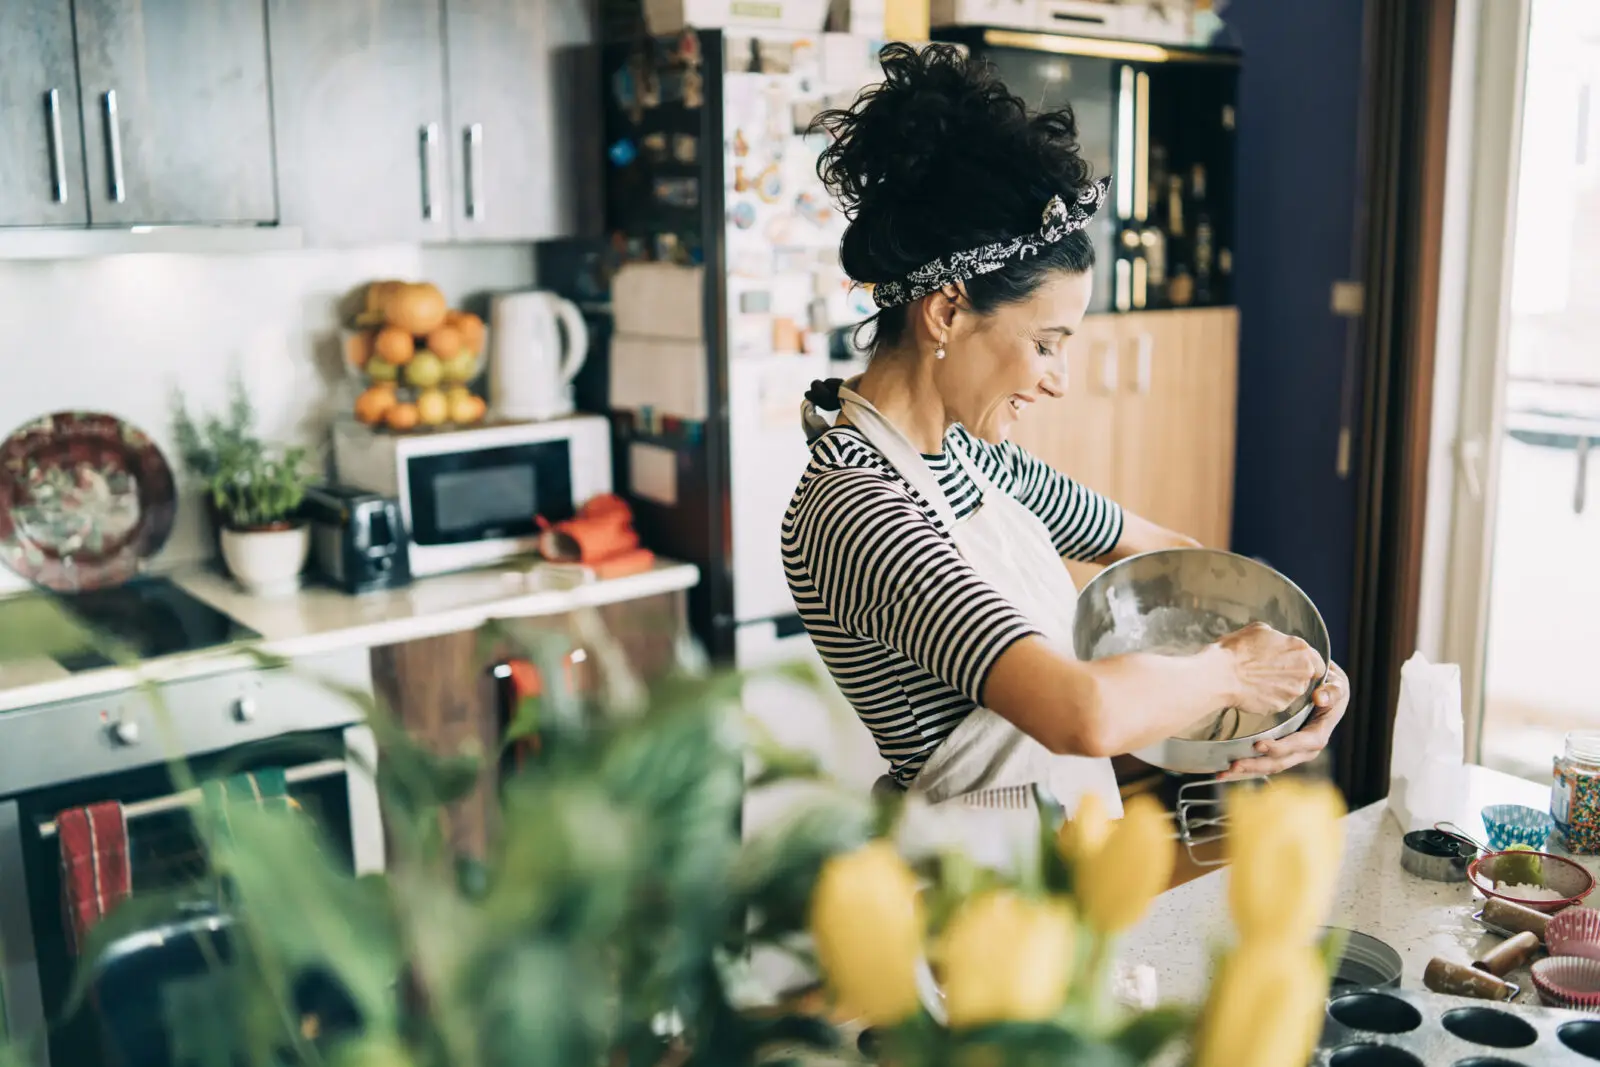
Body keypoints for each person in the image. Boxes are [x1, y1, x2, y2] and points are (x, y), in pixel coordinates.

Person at [782, 43, 1349, 835]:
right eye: (1046, 342)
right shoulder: (857, 507)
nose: (1060, 378)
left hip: (1061, 869)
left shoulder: (975, 457)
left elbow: (1175, 566)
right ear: (945, 314)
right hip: (962, 898)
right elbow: (1080, 712)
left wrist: (1303, 677)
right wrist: (1228, 671)